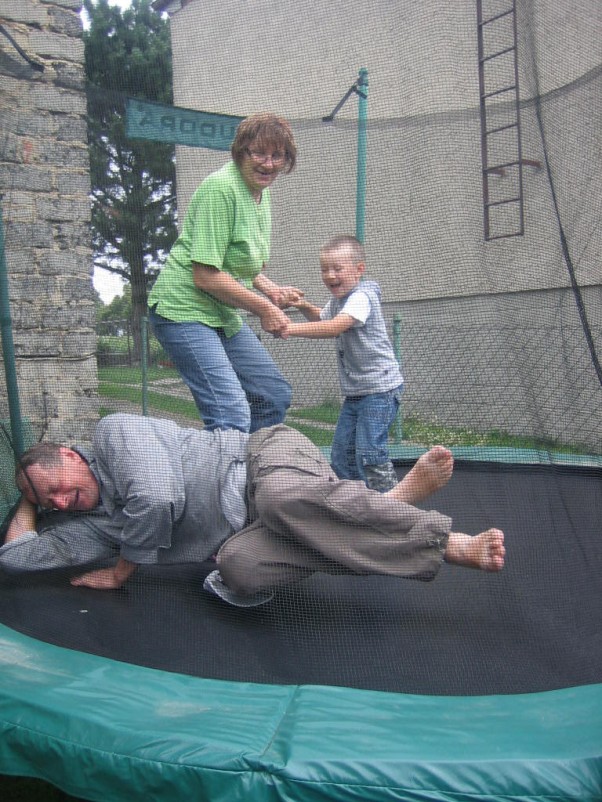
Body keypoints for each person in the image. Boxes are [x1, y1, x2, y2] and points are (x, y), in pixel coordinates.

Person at [0, 414, 505, 607]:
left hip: (262, 462)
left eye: (57, 488)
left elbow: (157, 497)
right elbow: (16, 558)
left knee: (282, 501)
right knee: (240, 571)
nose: (61, 504)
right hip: (247, 531)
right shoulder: (89, 522)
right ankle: (385, 504)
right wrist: (29, 499)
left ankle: (449, 543)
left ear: (69, 454)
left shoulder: (113, 435)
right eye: (51, 504)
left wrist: (121, 570)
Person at [147, 112, 303, 434]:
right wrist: (264, 308)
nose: (269, 163)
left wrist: (270, 290)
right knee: (230, 414)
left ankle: (253, 475)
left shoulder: (261, 193)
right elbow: (205, 274)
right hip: (183, 311)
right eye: (259, 153)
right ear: (240, 151)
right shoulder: (220, 190)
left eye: (278, 155)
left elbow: (238, 263)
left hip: (221, 312)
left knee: (272, 395)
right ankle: (224, 481)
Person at [287, 235, 404, 492]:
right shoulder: (340, 301)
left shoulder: (362, 297)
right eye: (324, 269)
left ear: (359, 269)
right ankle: (356, 505)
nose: (330, 275)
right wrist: (303, 305)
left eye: (337, 269)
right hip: (356, 393)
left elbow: (334, 327)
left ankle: (395, 506)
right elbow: (322, 317)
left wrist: (289, 328)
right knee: (341, 456)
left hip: (380, 391)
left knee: (370, 453)